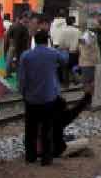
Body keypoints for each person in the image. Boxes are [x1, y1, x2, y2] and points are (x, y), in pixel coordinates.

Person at [18, 29, 66, 166]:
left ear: (35, 40)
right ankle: (46, 158)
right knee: (47, 128)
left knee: (30, 128)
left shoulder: (26, 56)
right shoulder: (53, 53)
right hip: (48, 97)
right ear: (47, 41)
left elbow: (22, 78)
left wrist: (23, 93)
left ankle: (30, 156)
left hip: (31, 97)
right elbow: (64, 61)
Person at [78, 19, 101, 108]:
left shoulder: (91, 35)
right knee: (88, 83)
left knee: (91, 83)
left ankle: (90, 102)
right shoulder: (86, 36)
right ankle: (86, 103)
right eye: (96, 27)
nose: (97, 29)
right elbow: (82, 46)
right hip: (87, 63)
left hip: (91, 63)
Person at [5, 12, 32, 78]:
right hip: (20, 47)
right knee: (19, 63)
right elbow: (27, 39)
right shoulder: (25, 28)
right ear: (24, 18)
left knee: (9, 60)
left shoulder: (14, 25)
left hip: (13, 45)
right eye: (27, 18)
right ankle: (18, 76)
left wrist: (9, 44)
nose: (28, 20)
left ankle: (7, 74)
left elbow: (7, 35)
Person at [59, 16, 80, 87]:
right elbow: (80, 42)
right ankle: (76, 80)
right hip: (75, 52)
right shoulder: (77, 31)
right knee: (74, 66)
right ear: (73, 22)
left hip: (66, 52)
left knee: (65, 69)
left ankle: (66, 84)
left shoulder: (63, 31)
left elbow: (61, 43)